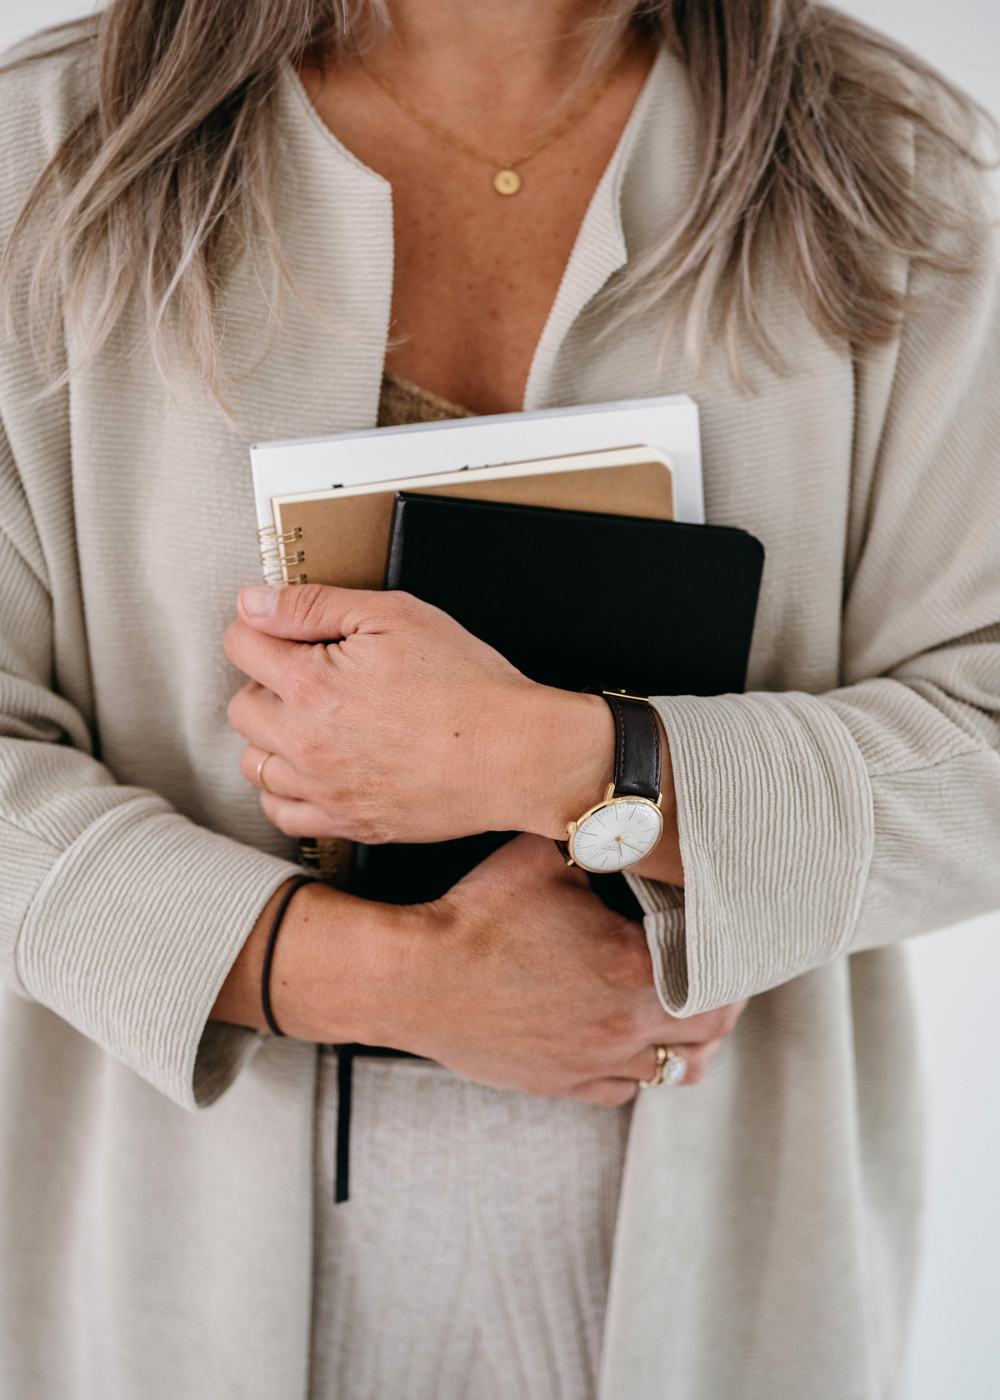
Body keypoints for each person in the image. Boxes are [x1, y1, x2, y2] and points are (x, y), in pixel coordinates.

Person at [0, 1, 998, 1397]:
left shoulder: (907, 169)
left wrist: (581, 767)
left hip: (722, 1290)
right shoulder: (39, 157)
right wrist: (385, 981)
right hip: (170, 1281)